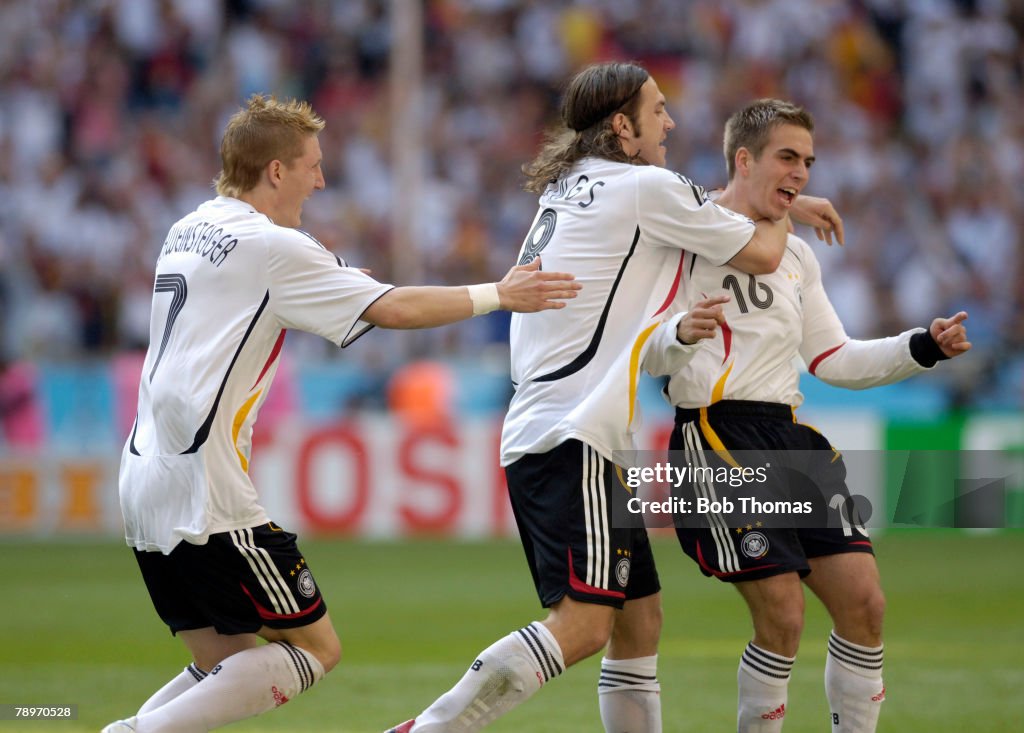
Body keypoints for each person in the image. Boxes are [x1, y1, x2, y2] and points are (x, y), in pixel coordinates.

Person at [101, 94, 582, 733]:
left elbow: (253, 296)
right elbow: (394, 309)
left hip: (143, 476)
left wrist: (336, 279)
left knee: (227, 661)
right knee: (314, 649)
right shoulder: (273, 246)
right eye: (312, 165)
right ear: (276, 171)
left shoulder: (189, 226)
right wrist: (500, 293)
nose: (321, 179)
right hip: (206, 488)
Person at [386, 62, 843, 733]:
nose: (672, 122)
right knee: (584, 624)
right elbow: (762, 254)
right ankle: (427, 729)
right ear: (622, 126)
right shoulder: (643, 187)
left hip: (556, 425)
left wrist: (777, 199)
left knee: (639, 620)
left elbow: (708, 208)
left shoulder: (571, 185)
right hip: (573, 431)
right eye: (658, 110)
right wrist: (782, 205)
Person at [642, 98, 971, 733]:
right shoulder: (686, 232)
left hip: (790, 438)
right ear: (744, 159)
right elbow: (648, 343)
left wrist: (921, 345)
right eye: (786, 157)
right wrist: (680, 337)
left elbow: (835, 357)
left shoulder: (796, 255)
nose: (800, 173)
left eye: (808, 162)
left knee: (866, 605)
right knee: (783, 616)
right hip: (715, 435)